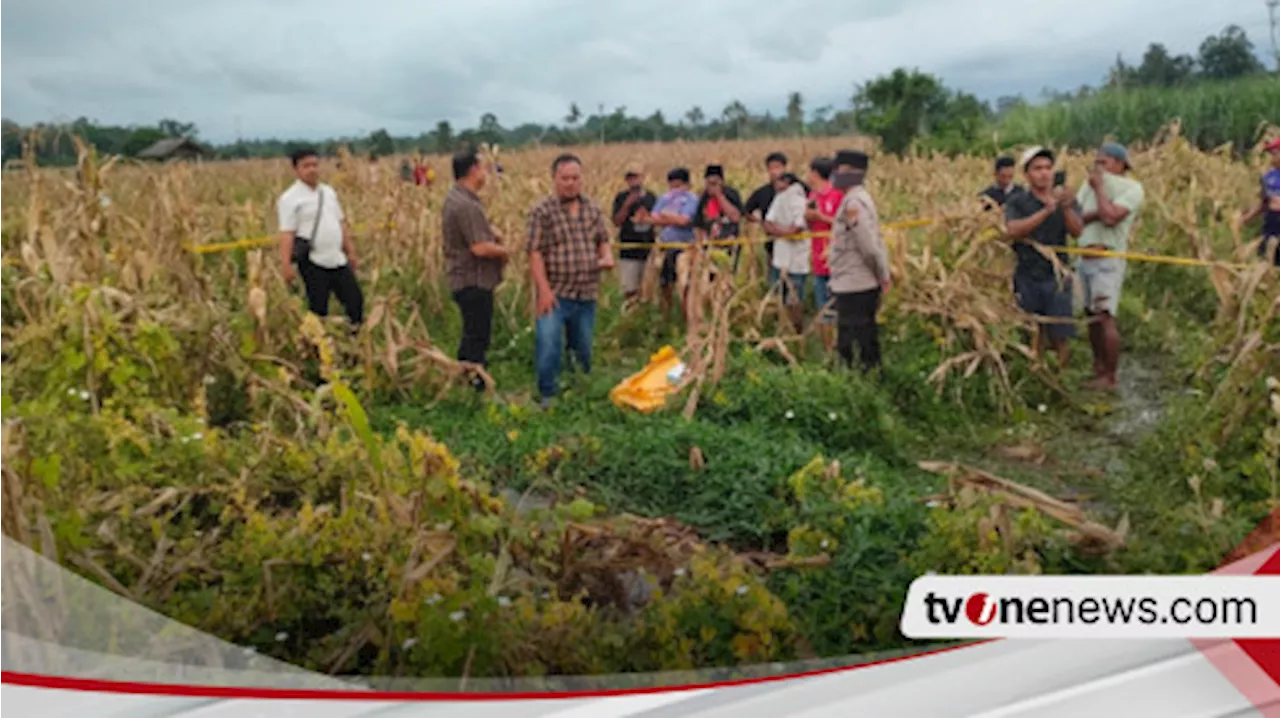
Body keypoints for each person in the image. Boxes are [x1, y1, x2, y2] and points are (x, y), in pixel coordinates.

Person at [528, 154, 615, 409]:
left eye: (575, 178)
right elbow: (534, 253)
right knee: (549, 344)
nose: (570, 183)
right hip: (556, 293)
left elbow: (603, 239)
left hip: (586, 293)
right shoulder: (542, 211)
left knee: (583, 348)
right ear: (554, 179)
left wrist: (606, 256)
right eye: (565, 178)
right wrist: (544, 291)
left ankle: (579, 391)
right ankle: (548, 396)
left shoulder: (592, 209)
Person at [1003, 147, 1083, 367]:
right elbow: (1013, 230)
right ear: (1027, 174)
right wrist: (1045, 212)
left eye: (1048, 168)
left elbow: (1077, 231)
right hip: (1026, 275)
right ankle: (1035, 376)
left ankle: (1060, 376)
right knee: (1031, 331)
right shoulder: (1017, 201)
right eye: (1037, 168)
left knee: (1060, 334)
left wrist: (1065, 208)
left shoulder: (1066, 199)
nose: (1044, 173)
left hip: (1057, 276)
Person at [1075, 142, 1145, 391]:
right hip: (1084, 257)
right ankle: (1098, 368)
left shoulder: (1133, 189)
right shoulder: (1088, 185)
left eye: (1104, 163)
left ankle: (1111, 376)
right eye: (1097, 163)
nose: (1099, 168)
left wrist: (1100, 192)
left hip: (1108, 259)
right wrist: (1097, 211)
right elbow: (1076, 216)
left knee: (1105, 316)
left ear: (1119, 164)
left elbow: (1112, 217)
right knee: (1091, 317)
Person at [443, 150, 509, 391]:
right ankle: (475, 384)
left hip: (466, 279)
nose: (486, 174)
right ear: (473, 170)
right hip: (473, 280)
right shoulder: (465, 205)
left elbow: (476, 233)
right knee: (476, 336)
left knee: (474, 333)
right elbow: (479, 248)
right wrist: (505, 251)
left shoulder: (459, 199)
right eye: (483, 168)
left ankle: (470, 381)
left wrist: (492, 232)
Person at [278, 147, 364, 330]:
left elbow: (341, 223)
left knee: (355, 302)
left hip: (337, 258)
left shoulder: (328, 192)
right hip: (312, 262)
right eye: (306, 166)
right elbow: (287, 233)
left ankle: (354, 345)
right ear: (296, 170)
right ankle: (318, 350)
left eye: (315, 165)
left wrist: (351, 252)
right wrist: (285, 265)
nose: (312, 169)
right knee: (318, 309)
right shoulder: (289, 199)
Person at [828, 150, 890, 371]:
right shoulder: (852, 199)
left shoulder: (854, 203)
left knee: (858, 337)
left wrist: (882, 275)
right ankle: (859, 377)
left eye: (838, 170)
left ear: (852, 173)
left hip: (857, 283)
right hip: (851, 280)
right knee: (855, 335)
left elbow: (870, 247)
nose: (834, 174)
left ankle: (863, 379)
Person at [646, 168, 700, 320]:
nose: (674, 190)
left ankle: (687, 316)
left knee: (685, 285)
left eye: (678, 186)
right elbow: (654, 218)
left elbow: (685, 220)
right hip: (665, 246)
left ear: (687, 185)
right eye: (672, 186)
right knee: (664, 283)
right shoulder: (664, 198)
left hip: (685, 248)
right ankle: (667, 316)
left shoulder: (692, 199)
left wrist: (666, 217)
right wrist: (672, 219)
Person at [764, 172, 811, 332]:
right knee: (785, 299)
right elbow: (768, 224)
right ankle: (788, 330)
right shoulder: (779, 198)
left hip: (794, 259)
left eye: (779, 182)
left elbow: (797, 229)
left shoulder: (800, 200)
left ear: (787, 182)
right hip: (783, 257)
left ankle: (795, 331)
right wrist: (786, 232)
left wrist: (779, 231)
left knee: (792, 300)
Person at [804, 157, 843, 350]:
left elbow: (845, 224)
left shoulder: (838, 195)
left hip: (838, 261)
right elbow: (810, 225)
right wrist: (809, 218)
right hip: (819, 261)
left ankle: (842, 347)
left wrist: (821, 217)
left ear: (817, 173)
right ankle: (828, 350)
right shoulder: (812, 196)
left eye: (810, 171)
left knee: (840, 309)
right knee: (824, 309)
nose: (808, 175)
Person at [611, 168, 658, 302]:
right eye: (630, 178)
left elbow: (658, 219)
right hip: (628, 250)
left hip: (648, 250)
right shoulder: (621, 197)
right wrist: (627, 205)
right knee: (630, 289)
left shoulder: (651, 197)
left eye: (636, 177)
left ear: (643, 178)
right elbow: (616, 222)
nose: (634, 181)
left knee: (648, 289)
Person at [745, 152, 789, 283]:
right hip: (772, 242)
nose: (775, 171)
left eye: (778, 167)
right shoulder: (762, 193)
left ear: (785, 168)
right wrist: (759, 222)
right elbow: (747, 210)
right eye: (772, 167)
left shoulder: (796, 188)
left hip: (794, 241)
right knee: (774, 278)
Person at [1240, 137, 1280, 266]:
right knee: (1266, 260)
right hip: (1271, 223)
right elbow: (1263, 203)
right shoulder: (1268, 177)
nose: (1272, 158)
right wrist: (1246, 218)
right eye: (1271, 154)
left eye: (1275, 153)